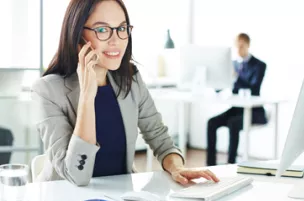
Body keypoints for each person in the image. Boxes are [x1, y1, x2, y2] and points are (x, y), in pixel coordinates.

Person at [32, 0, 219, 186]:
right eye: (103, 30)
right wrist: (87, 97)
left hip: (120, 197)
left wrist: (176, 167)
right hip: (63, 199)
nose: (116, 41)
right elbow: (76, 176)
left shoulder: (131, 80)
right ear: (77, 35)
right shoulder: (47, 91)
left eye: (121, 29)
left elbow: (161, 140)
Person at [206, 33, 267, 166]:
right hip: (236, 109)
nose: (239, 49)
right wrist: (214, 78)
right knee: (212, 122)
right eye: (237, 46)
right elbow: (220, 87)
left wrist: (235, 77)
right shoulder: (232, 64)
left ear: (248, 45)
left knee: (233, 123)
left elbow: (254, 88)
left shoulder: (259, 65)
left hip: (254, 111)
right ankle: (210, 164)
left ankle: (230, 164)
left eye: (242, 46)